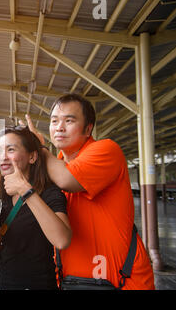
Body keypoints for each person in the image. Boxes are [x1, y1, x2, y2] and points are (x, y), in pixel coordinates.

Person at [25, 93, 155, 290]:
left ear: (88, 129)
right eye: (54, 121)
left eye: (69, 120)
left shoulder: (106, 149)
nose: (59, 127)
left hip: (122, 282)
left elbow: (67, 179)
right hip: (72, 282)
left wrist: (39, 147)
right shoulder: (54, 165)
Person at [0, 125, 71, 290]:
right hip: (4, 283)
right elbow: (15, 226)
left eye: (11, 149)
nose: (2, 157)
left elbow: (62, 240)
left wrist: (25, 190)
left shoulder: (49, 193)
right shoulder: (7, 194)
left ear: (32, 157)